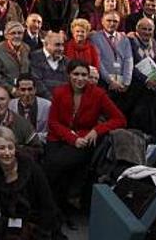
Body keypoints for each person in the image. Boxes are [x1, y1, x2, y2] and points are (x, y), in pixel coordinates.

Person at [44, 60, 126, 221]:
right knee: (50, 165)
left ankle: (56, 209)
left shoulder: (98, 94)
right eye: (76, 74)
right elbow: (53, 122)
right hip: (59, 137)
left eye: (84, 75)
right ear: (69, 75)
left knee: (58, 164)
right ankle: (53, 208)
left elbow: (120, 119)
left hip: (84, 139)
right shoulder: (59, 92)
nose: (80, 78)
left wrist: (97, 130)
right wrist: (72, 138)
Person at [0, 126, 58, 240]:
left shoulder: (32, 169)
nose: (7, 152)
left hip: (32, 227)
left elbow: (47, 205)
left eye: (10, 147)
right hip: (3, 227)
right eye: (1, 148)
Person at [89, 11, 134, 103]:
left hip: (122, 84)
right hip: (104, 83)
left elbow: (128, 60)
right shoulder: (95, 38)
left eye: (115, 21)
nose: (112, 23)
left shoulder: (124, 38)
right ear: (102, 21)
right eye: (109, 20)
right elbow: (98, 61)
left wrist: (126, 82)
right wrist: (110, 81)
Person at [0, 21, 30, 95]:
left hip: (25, 89)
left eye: (19, 33)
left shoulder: (26, 48)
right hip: (6, 90)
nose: (17, 36)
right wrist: (11, 89)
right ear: (6, 35)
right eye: (13, 33)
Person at [9, 76, 51, 143]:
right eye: (23, 90)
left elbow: (50, 132)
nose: (27, 93)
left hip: (41, 144)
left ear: (35, 90)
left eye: (30, 89)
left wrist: (32, 138)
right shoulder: (10, 106)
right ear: (17, 90)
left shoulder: (47, 106)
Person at [29, 31, 68, 100]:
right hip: (41, 101)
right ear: (46, 44)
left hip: (61, 101)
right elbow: (37, 82)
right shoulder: (35, 57)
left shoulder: (66, 61)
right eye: (57, 45)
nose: (61, 48)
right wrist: (52, 99)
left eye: (62, 45)